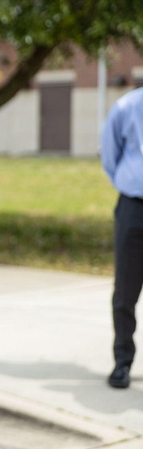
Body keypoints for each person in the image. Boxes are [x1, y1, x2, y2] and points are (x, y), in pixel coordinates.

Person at [100, 86, 143, 389]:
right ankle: (122, 362)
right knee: (125, 290)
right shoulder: (127, 107)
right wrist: (129, 181)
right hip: (134, 206)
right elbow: (110, 153)